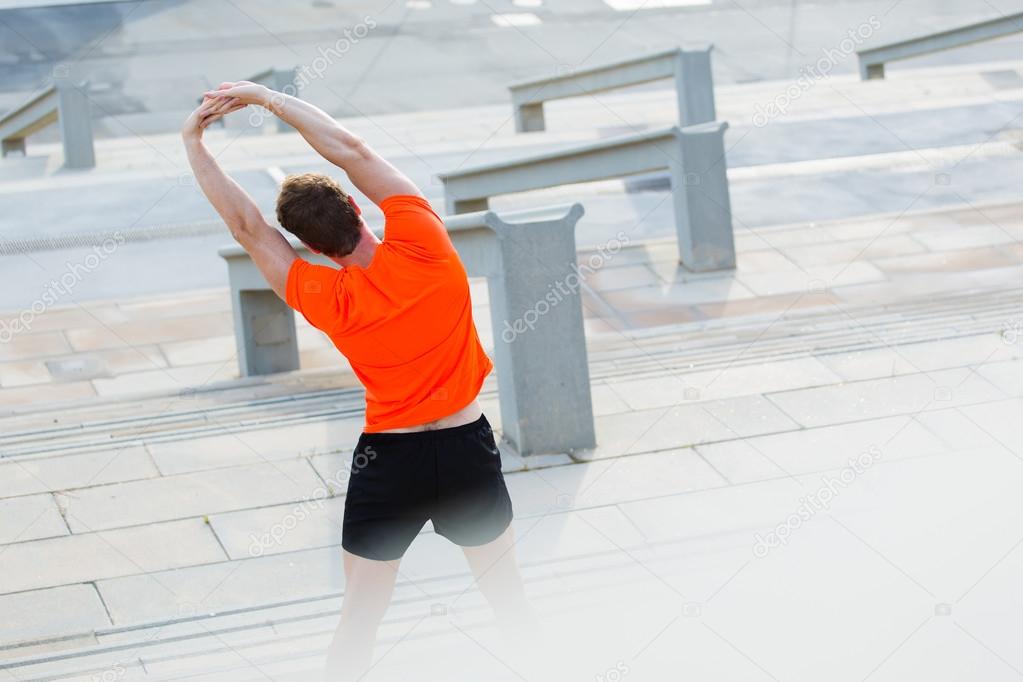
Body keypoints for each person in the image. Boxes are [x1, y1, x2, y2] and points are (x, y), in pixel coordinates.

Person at [183, 85, 539, 680]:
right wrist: (266, 98)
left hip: (388, 460)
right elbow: (350, 147)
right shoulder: (425, 243)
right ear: (354, 203)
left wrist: (193, 141)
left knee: (360, 618)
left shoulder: (323, 295)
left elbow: (246, 227)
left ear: (311, 248)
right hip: (464, 449)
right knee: (508, 601)